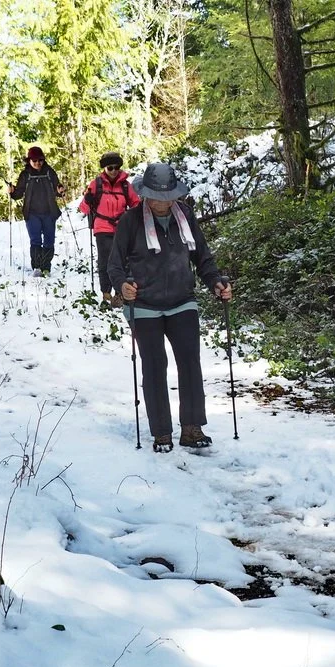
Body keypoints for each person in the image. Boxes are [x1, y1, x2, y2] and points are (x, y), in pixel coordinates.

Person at [108, 162, 232, 453]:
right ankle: (161, 432)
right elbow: (114, 264)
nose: (162, 203)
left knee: (190, 362)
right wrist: (122, 285)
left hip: (182, 300)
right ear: (144, 194)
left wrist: (216, 281)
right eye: (156, 196)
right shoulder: (130, 221)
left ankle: (191, 428)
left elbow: (202, 257)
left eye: (167, 196)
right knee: (154, 366)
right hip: (145, 305)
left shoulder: (185, 216)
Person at [79, 152, 140, 307]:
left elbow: (135, 205)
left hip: (121, 227)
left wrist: (134, 217)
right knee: (105, 260)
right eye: (110, 167)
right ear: (104, 168)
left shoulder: (126, 185)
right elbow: (84, 209)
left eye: (116, 167)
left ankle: (121, 293)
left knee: (123, 259)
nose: (113, 171)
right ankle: (106, 292)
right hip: (102, 227)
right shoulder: (96, 184)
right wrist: (87, 200)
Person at [8, 146, 65, 276]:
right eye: (34, 161)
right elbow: (19, 193)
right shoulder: (25, 174)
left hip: (49, 212)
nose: (38, 163)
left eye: (40, 160)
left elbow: (57, 189)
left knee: (49, 240)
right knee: (36, 240)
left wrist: (60, 191)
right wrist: (12, 192)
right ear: (29, 161)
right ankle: (37, 268)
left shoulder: (49, 172)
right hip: (32, 213)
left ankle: (46, 267)